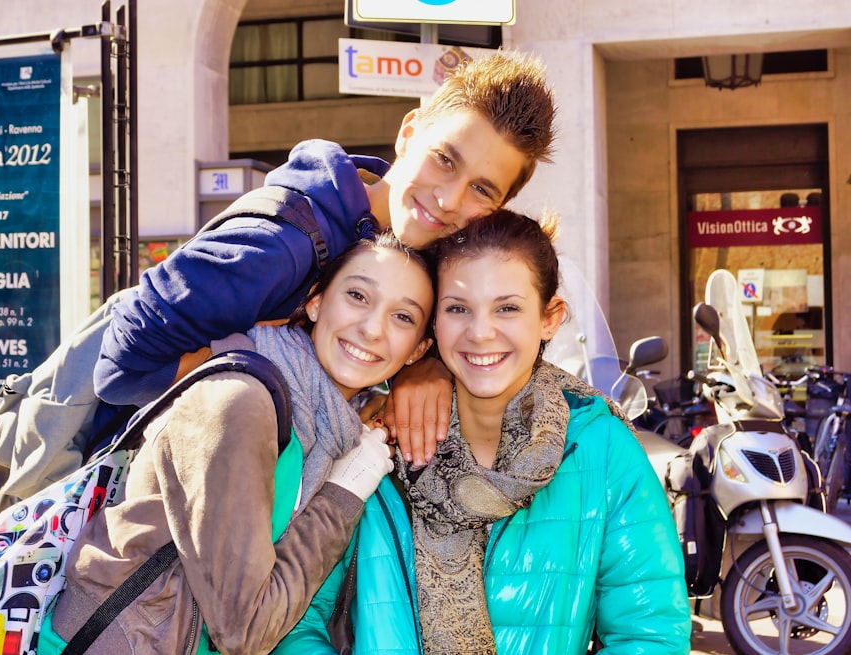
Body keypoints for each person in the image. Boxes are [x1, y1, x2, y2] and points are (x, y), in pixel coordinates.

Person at [93, 51, 556, 464]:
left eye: (481, 189)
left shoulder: (432, 258)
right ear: (409, 133)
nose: (450, 198)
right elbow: (120, 365)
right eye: (445, 160)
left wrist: (422, 367)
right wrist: (255, 375)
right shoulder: (281, 246)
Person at [275, 210, 692, 654]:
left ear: (550, 318)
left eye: (507, 308)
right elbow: (298, 621)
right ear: (433, 325)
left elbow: (651, 635)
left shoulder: (598, 445)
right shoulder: (375, 439)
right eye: (457, 309)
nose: (480, 332)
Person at [39, 232, 436, 655]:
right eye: (358, 295)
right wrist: (343, 495)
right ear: (316, 301)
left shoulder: (341, 423)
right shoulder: (238, 404)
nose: (373, 328)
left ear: (418, 350)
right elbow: (245, 631)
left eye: (403, 318)